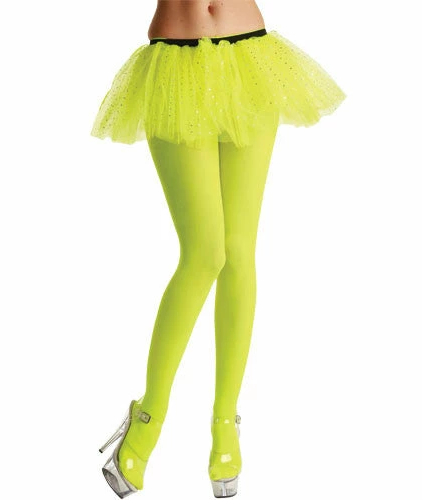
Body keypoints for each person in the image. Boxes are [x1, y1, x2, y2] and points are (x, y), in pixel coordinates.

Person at [93, 1, 346, 497]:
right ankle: (147, 418)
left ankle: (225, 422)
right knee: (204, 252)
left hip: (250, 55)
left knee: (238, 250)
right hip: (175, 61)